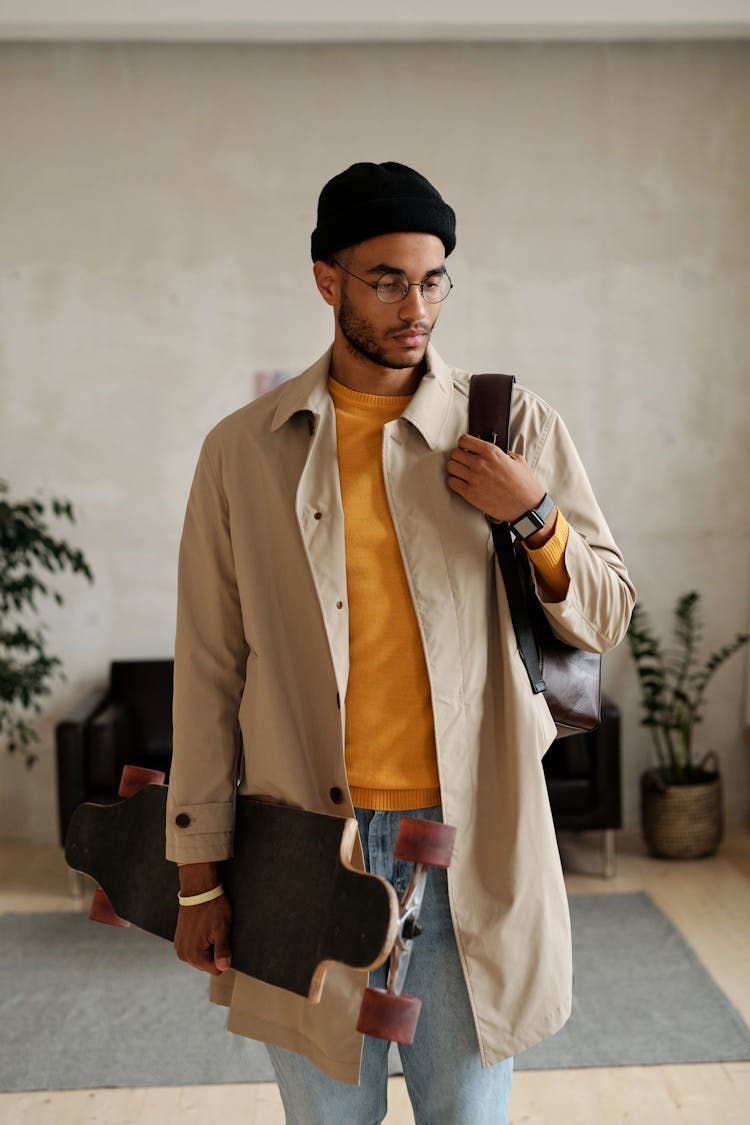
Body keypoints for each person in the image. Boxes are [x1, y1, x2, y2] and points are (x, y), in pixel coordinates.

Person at [166, 161, 635, 1124]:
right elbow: (210, 667)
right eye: (386, 279)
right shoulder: (245, 450)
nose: (415, 305)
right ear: (326, 279)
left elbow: (608, 609)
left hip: (466, 841)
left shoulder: (511, 425)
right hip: (305, 846)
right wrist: (196, 874)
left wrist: (535, 513)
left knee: (466, 1113)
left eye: (432, 280)